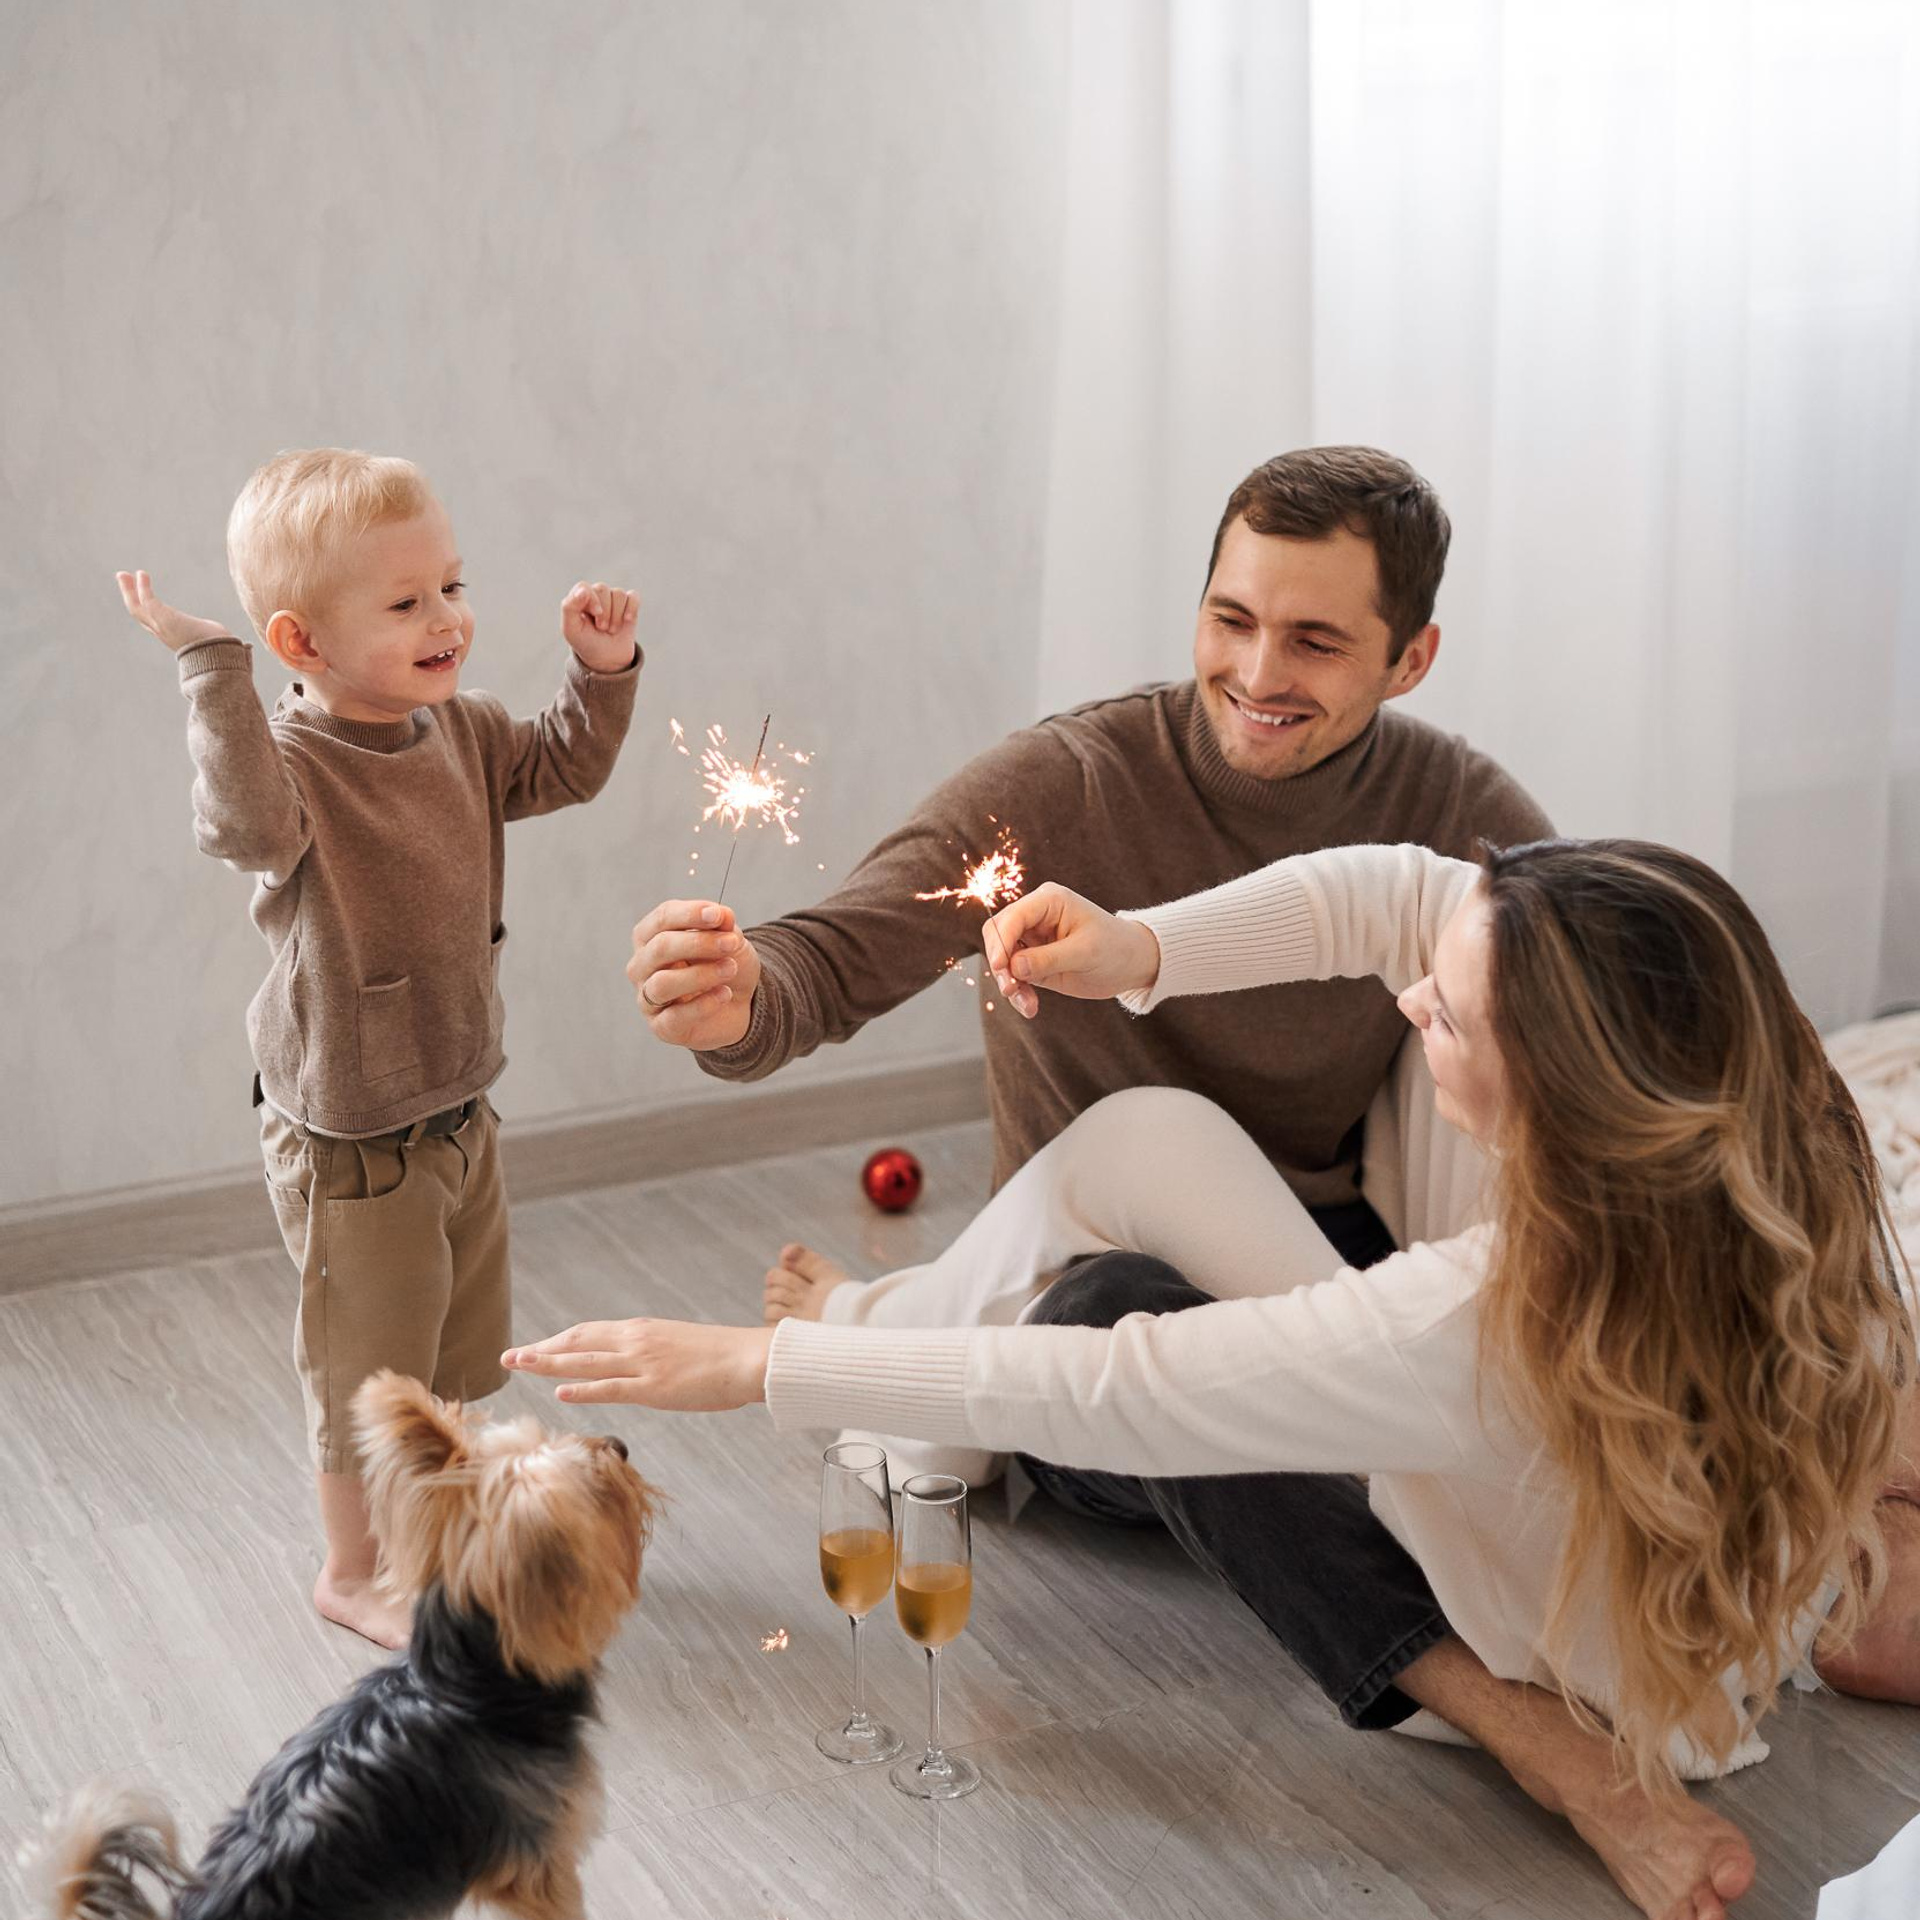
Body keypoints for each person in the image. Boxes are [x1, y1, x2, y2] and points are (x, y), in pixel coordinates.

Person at [505, 838, 1920, 1920]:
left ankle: (1552, 1752)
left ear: (1556, 1081)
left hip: (1593, 1664)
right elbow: (1389, 898)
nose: (1414, 993)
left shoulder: (1490, 1321)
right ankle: (894, 1335)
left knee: (1110, 1318)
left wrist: (762, 1362)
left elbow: (1137, 1390)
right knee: (1152, 1139)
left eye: (1449, 1014)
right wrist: (1134, 950)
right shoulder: (1780, 1119)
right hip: (1677, 1592)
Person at [629, 447, 1552, 1283]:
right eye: (1231, 620)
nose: (1259, 673)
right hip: (1096, 1263)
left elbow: (1599, 1013)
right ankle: (912, 1337)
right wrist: (736, 1002)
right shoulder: (1064, 785)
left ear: (1409, 661)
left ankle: (899, 1331)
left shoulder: (1458, 809)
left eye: (1315, 642)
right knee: (1117, 1319)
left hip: (1313, 1240)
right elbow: (828, 963)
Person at [117, 448, 643, 1647]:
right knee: (369, 1375)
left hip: (458, 1105)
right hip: (352, 1134)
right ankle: (353, 1570)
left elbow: (563, 763)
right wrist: (213, 669)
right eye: (406, 604)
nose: (448, 618)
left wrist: (601, 671)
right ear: (302, 644)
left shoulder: (457, 731)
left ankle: (440, 1531)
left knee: (454, 1350)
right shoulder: (294, 768)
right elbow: (239, 822)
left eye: (451, 586)